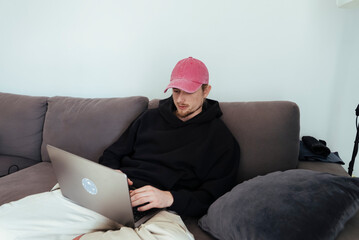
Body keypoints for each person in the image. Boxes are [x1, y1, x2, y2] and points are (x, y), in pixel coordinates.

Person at [0, 57, 240, 240]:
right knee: (6, 225)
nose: (181, 99)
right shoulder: (150, 119)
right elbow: (113, 154)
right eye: (176, 91)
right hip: (113, 197)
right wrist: (112, 175)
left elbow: (214, 195)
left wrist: (169, 197)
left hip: (163, 211)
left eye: (189, 91)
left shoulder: (221, 140)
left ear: (206, 90)